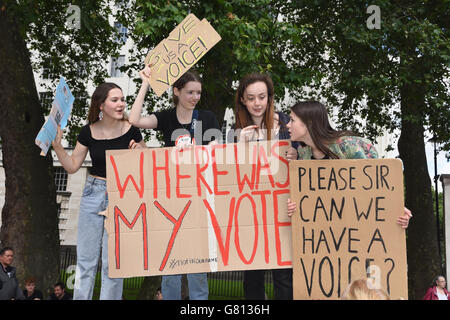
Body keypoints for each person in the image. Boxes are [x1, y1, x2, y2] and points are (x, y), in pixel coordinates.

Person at [129, 66, 220, 300]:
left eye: (198, 93)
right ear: (176, 91)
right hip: (172, 198)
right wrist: (145, 83)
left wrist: (208, 149)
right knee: (171, 263)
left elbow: (217, 150)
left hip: (200, 197)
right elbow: (134, 119)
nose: (195, 98)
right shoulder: (166, 117)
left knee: (198, 266)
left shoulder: (207, 117)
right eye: (190, 92)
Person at [52, 82, 146, 300]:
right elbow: (73, 165)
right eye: (115, 100)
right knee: (85, 262)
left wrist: (139, 153)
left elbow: (147, 162)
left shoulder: (132, 130)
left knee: (114, 264)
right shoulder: (88, 131)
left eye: (122, 99)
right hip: (93, 193)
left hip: (122, 196)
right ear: (101, 105)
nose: (121, 104)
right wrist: (57, 147)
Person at [285, 101, 412, 228]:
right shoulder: (303, 154)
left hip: (355, 226)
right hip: (329, 229)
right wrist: (295, 206)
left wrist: (395, 208)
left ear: (309, 123)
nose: (287, 125)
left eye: (292, 120)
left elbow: (375, 184)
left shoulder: (348, 146)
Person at [227, 72, 297, 300]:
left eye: (262, 97)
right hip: (252, 214)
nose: (257, 103)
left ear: (269, 98)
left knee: (284, 278)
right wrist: (241, 147)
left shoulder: (288, 124)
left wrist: (296, 154)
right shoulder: (236, 131)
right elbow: (230, 176)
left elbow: (306, 161)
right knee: (253, 278)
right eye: (251, 98)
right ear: (242, 101)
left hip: (283, 211)